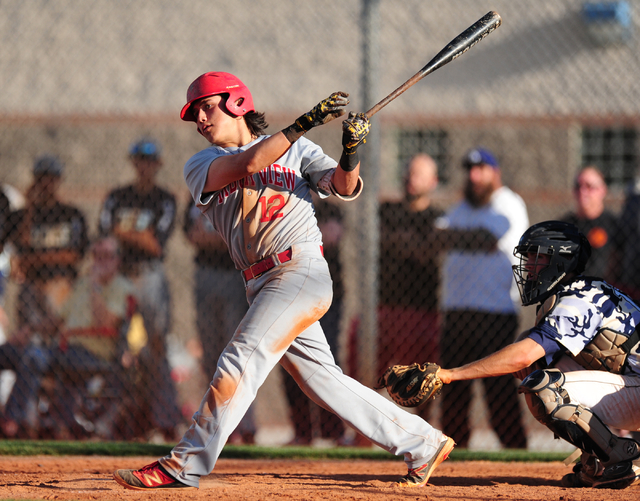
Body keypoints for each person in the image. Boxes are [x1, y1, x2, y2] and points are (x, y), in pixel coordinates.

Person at [113, 71, 454, 490]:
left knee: (238, 360)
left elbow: (345, 187)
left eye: (206, 106)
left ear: (236, 102)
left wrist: (351, 149)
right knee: (323, 382)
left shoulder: (300, 150)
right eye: (195, 113)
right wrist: (302, 123)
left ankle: (185, 463)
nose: (200, 119)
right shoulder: (201, 164)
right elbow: (249, 163)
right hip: (260, 282)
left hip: (300, 270)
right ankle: (422, 442)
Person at [435, 220, 640, 489]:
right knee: (544, 366)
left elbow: (522, 356)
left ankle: (621, 459)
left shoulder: (577, 300)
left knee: (545, 388)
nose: (529, 266)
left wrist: (449, 374)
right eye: (528, 256)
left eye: (538, 257)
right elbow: (535, 353)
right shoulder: (578, 292)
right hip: (632, 386)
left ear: (561, 261)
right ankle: (600, 462)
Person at [435, 147, 529, 449]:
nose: (474, 176)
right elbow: (437, 238)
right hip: (457, 312)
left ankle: (515, 452)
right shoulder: (462, 208)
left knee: (498, 390)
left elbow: (488, 238)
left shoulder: (508, 203)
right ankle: (452, 452)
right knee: (452, 388)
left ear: (495, 172)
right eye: (470, 170)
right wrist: (469, 238)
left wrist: (461, 238)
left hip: (495, 312)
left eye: (481, 169)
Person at [0, 155, 89, 438]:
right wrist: (28, 208)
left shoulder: (70, 214)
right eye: (41, 178)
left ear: (58, 181)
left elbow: (72, 255)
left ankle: (56, 417)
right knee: (28, 348)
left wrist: (32, 261)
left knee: (56, 350)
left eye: (51, 179)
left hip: (60, 287)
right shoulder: (24, 215)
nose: (46, 184)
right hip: (31, 289)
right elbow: (17, 246)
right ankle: (28, 420)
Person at [98, 138, 181, 441]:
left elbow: (155, 244)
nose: (144, 166)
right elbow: (103, 233)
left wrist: (122, 233)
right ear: (134, 163)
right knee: (117, 346)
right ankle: (114, 420)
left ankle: (166, 419)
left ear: (157, 164)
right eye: (139, 161)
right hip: (119, 276)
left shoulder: (164, 199)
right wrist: (137, 235)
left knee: (157, 346)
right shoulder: (117, 195)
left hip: (149, 275)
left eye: (149, 161)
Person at [183, 199, 256, 444]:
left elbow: (245, 236)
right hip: (206, 276)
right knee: (211, 353)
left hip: (236, 276)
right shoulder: (200, 189)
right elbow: (192, 234)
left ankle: (245, 425)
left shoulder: (242, 189)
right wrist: (223, 237)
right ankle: (216, 420)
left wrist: (215, 237)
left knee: (238, 352)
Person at [377, 153, 443, 424]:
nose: (410, 179)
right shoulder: (386, 211)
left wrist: (405, 242)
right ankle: (359, 437)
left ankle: (425, 432)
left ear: (433, 182)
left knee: (423, 380)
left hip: (422, 309)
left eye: (418, 174)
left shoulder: (438, 217)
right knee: (368, 373)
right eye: (409, 172)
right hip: (384, 306)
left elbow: (429, 251)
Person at [282, 195, 345, 445]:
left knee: (326, 362)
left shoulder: (330, 209)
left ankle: (333, 430)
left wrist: (293, 237)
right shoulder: (284, 206)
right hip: (290, 293)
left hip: (326, 295)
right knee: (291, 361)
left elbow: (330, 237)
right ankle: (302, 431)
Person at [560, 166, 616, 279]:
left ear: (602, 190)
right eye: (578, 186)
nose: (582, 191)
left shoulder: (614, 225)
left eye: (589, 186)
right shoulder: (563, 226)